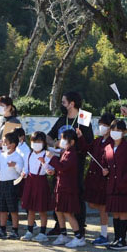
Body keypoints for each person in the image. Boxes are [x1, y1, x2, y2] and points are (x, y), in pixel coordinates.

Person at [51, 91, 95, 238]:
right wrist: (55, 144)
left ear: (72, 103)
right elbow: (49, 136)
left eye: (64, 102)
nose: (62, 105)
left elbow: (89, 142)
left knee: (76, 193)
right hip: (60, 160)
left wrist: (80, 138)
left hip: (76, 162)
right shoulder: (62, 119)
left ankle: (79, 227)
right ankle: (59, 226)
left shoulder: (83, 117)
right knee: (58, 193)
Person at [103, 119, 127, 250]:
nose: (115, 132)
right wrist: (105, 171)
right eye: (113, 129)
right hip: (111, 185)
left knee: (123, 212)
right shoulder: (107, 147)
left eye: (119, 130)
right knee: (115, 213)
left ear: (124, 132)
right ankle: (116, 238)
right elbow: (105, 164)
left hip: (123, 185)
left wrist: (125, 178)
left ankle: (122, 240)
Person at [50, 126, 86, 247]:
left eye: (64, 139)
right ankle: (63, 234)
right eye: (61, 139)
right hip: (61, 187)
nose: (62, 142)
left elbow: (63, 167)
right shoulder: (65, 152)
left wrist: (52, 158)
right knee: (58, 210)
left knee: (68, 213)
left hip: (68, 188)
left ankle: (79, 236)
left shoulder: (72, 154)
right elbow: (60, 168)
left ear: (72, 142)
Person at [84, 113, 114, 245]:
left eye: (105, 125)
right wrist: (80, 137)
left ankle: (104, 235)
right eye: (100, 124)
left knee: (103, 207)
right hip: (93, 178)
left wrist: (109, 170)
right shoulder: (98, 140)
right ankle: (104, 233)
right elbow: (86, 149)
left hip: (104, 179)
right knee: (92, 204)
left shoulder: (113, 142)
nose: (102, 127)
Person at [20, 130, 54, 241]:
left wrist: (44, 163)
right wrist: (23, 173)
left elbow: (50, 170)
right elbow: (25, 167)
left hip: (41, 182)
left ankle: (42, 233)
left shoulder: (47, 154)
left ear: (44, 143)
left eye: (39, 141)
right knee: (30, 209)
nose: (36, 144)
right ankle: (29, 231)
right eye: (34, 141)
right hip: (30, 182)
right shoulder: (29, 154)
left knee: (42, 210)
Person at [0, 132, 26, 239]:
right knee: (2, 208)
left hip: (12, 183)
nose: (2, 144)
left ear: (12, 145)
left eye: (5, 142)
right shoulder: (1, 155)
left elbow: (20, 171)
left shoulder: (17, 156)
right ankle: (2, 229)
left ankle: (15, 230)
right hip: (2, 182)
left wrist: (15, 165)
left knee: (13, 208)